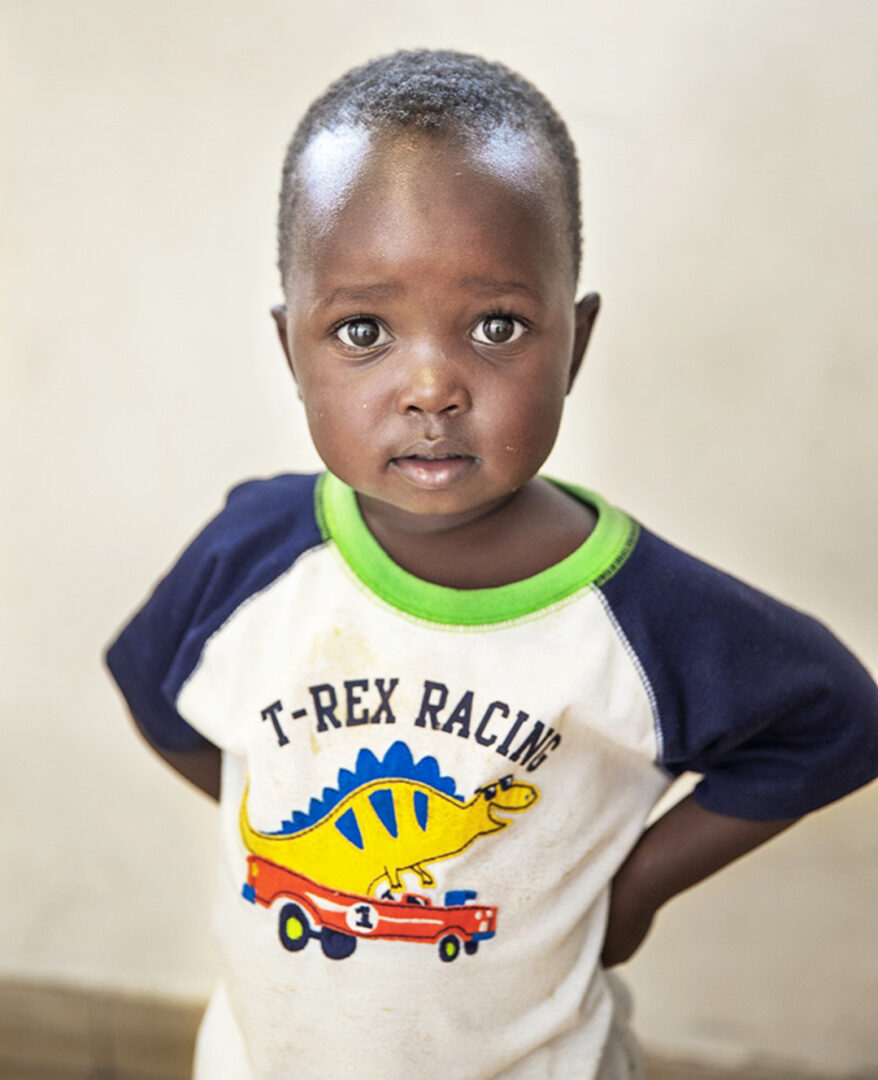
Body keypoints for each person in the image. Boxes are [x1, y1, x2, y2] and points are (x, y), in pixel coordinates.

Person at [105, 49, 878, 1080]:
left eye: (496, 326)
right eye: (364, 330)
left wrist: (630, 885)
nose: (430, 386)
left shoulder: (643, 619)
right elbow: (151, 687)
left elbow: (835, 721)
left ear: (575, 342)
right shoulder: (252, 557)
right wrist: (287, 843)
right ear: (293, 350)